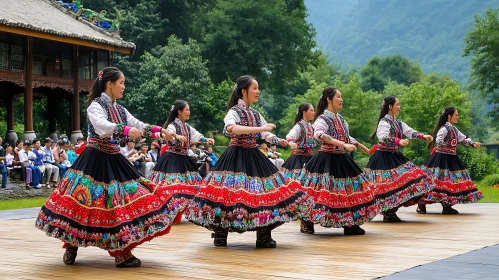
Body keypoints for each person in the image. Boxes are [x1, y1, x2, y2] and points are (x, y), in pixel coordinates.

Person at [35, 66, 187, 268]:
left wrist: (163, 132)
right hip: (95, 159)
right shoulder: (95, 106)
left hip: (114, 158)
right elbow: (101, 125)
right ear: (109, 84)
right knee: (81, 202)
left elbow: (138, 124)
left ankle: (122, 252)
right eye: (121, 83)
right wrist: (124, 129)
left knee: (122, 203)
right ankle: (71, 244)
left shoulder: (120, 109)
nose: (124, 87)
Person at [186, 75, 312, 248]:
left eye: (258, 88)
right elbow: (232, 128)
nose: (258, 91)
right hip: (235, 155)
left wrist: (279, 140)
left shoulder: (255, 113)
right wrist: (261, 129)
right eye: (255, 88)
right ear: (243, 91)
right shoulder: (233, 112)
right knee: (228, 195)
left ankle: (263, 234)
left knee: (265, 194)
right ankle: (221, 233)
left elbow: (266, 134)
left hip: (253, 155)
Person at [299, 86, 379, 235]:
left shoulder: (341, 119)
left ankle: (350, 223)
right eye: (338, 97)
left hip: (341, 157)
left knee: (351, 190)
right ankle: (306, 220)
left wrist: (360, 145)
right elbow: (320, 135)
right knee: (319, 192)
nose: (341, 99)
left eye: (341, 97)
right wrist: (343, 144)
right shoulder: (322, 119)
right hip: (325, 159)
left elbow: (346, 136)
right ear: (329, 99)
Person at [365, 96, 433, 222]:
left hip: (394, 156)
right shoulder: (384, 122)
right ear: (390, 106)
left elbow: (409, 132)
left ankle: (390, 210)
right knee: (387, 186)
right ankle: (387, 211)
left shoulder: (398, 122)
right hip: (383, 158)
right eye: (397, 104)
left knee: (413, 178)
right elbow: (383, 138)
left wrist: (423, 136)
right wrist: (398, 140)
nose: (399, 107)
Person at [417, 106, 484, 214]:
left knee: (451, 181)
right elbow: (438, 140)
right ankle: (422, 203)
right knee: (436, 181)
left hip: (451, 158)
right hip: (441, 158)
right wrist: (445, 145)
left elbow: (463, 139)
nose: (458, 117)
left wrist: (472, 143)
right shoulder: (444, 129)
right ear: (449, 116)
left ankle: (447, 205)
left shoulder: (454, 129)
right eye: (456, 115)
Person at [148, 100, 213, 195]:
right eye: (187, 110)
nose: (189, 112)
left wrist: (205, 139)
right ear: (179, 112)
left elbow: (197, 135)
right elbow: (168, 134)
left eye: (189, 110)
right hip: (172, 159)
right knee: (173, 185)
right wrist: (176, 137)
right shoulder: (172, 126)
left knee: (192, 186)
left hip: (184, 158)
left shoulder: (187, 127)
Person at [281, 102, 316, 180]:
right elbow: (290, 135)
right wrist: (291, 142)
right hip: (299, 160)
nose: (314, 112)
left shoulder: (311, 127)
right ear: (304, 112)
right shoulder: (299, 126)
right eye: (311, 110)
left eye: (313, 110)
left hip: (310, 157)